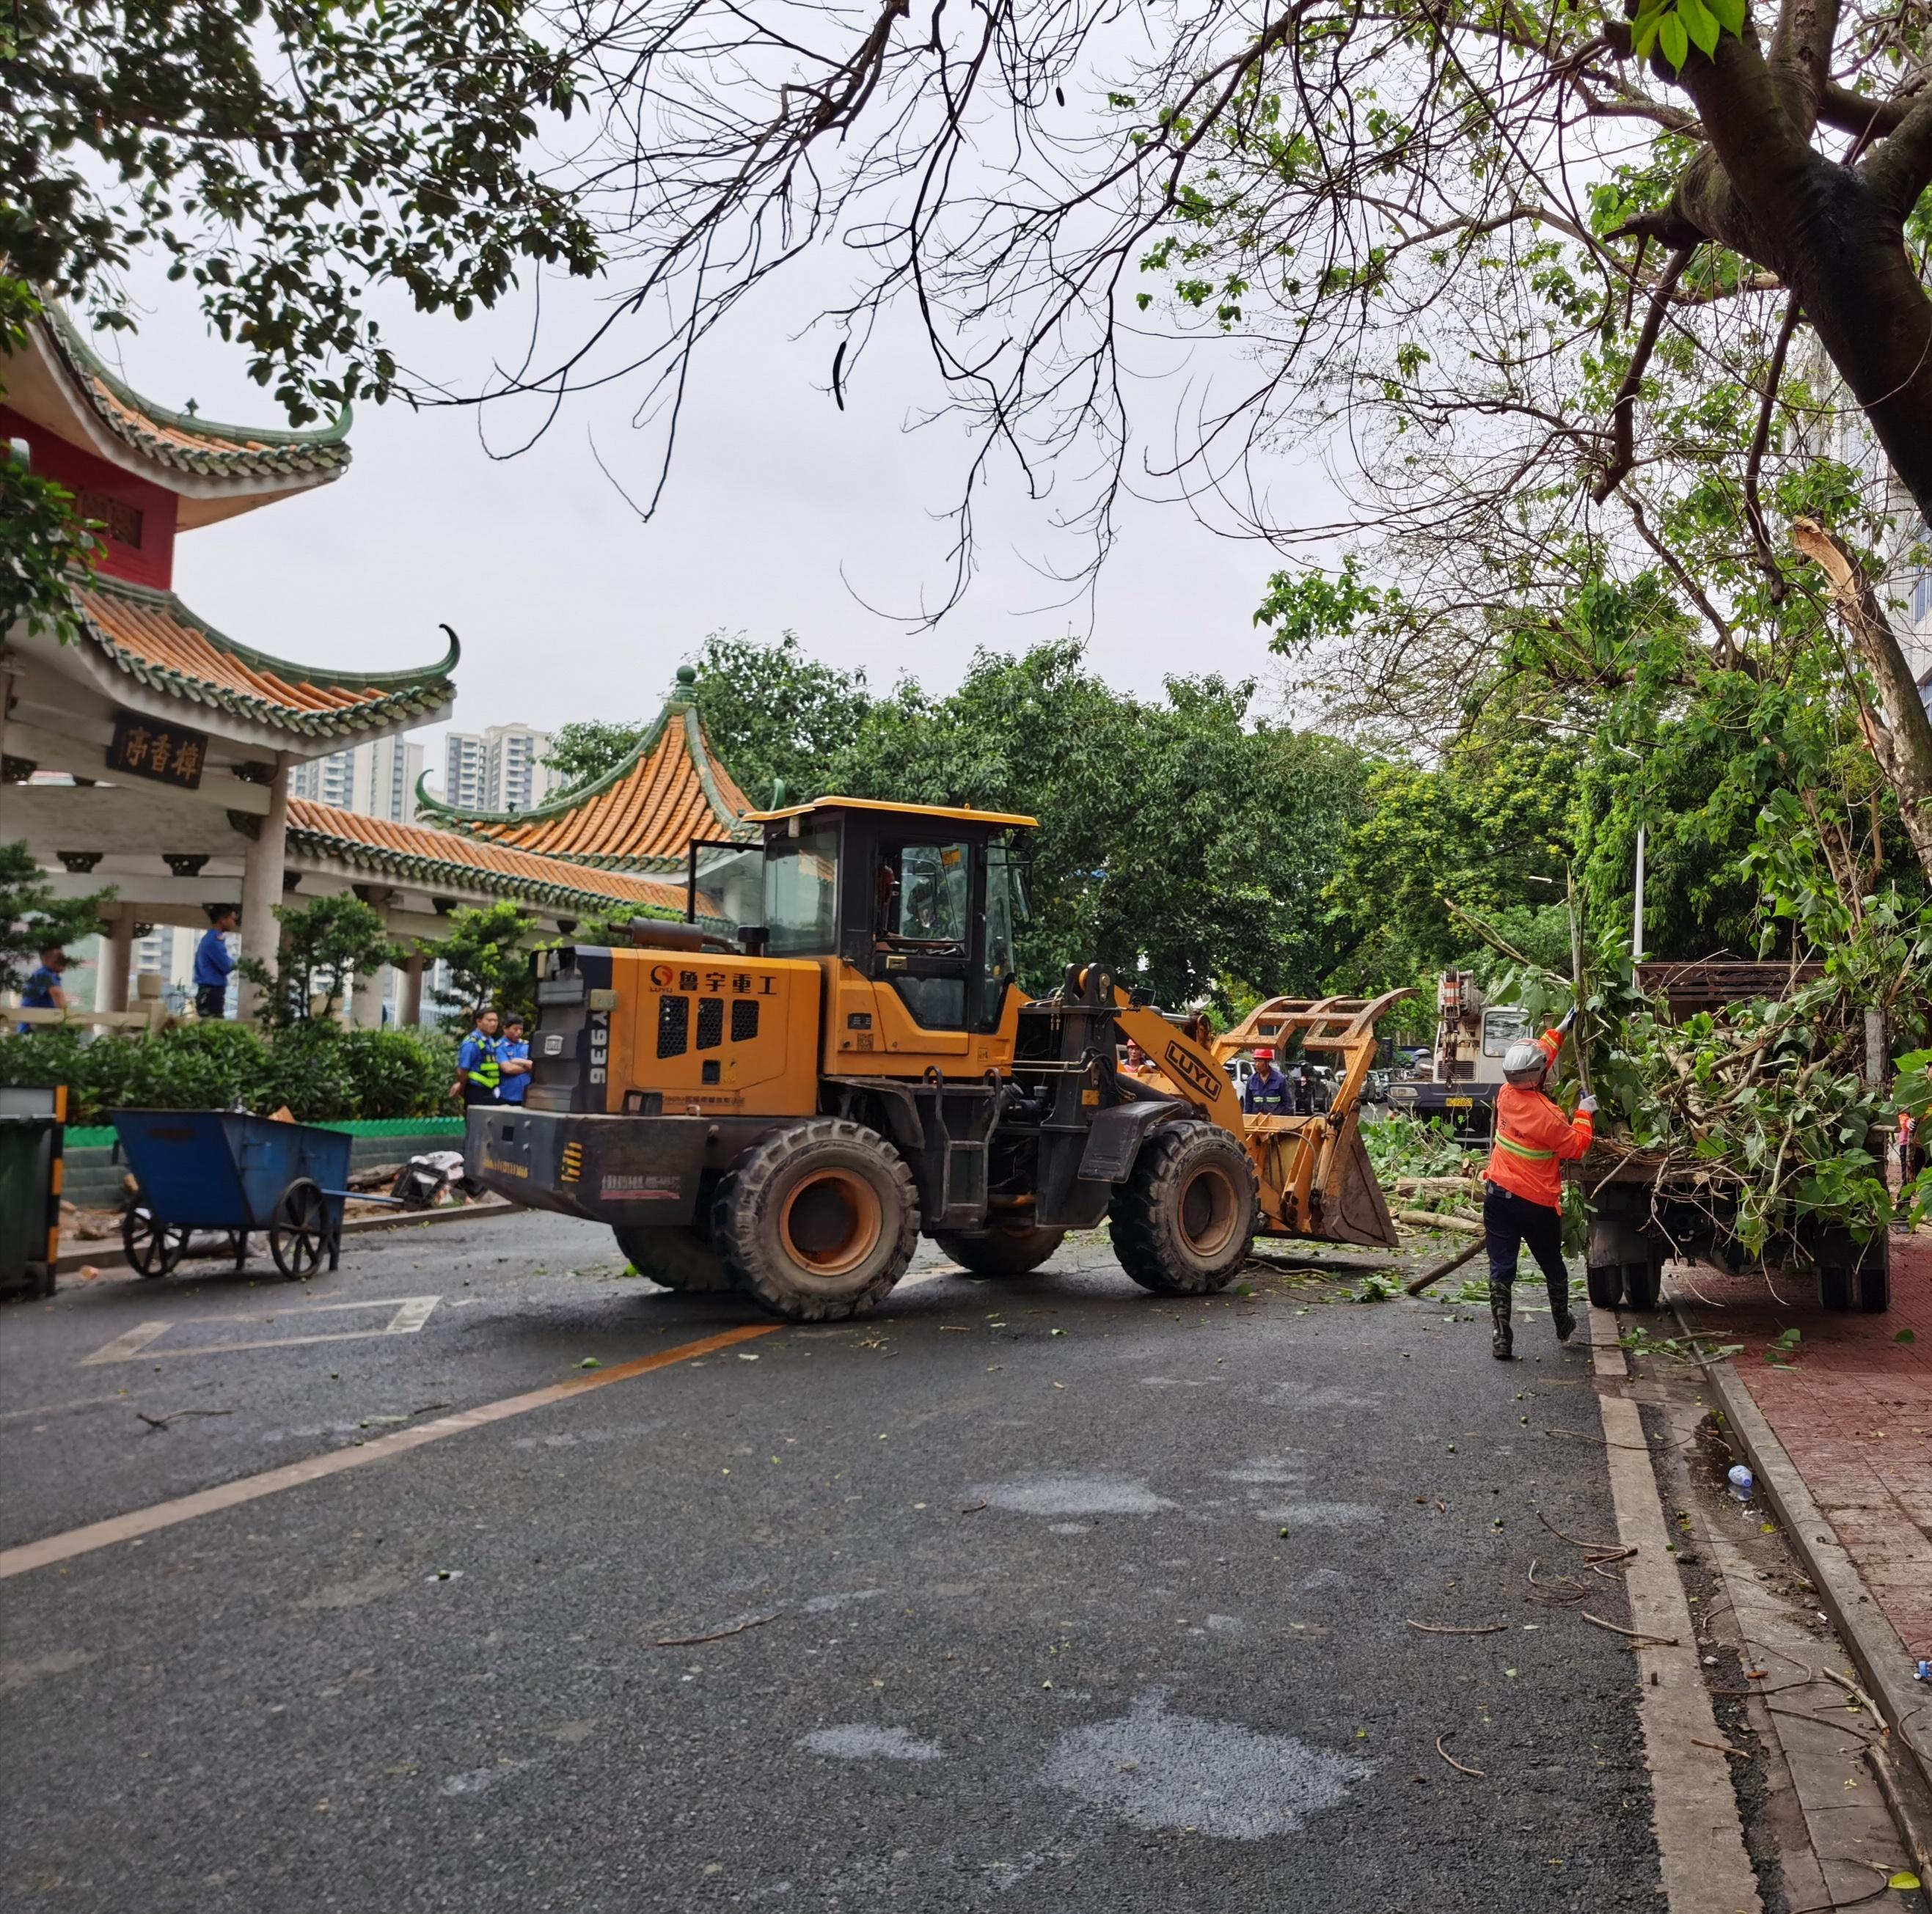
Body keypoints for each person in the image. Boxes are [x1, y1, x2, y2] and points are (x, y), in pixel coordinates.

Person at [1483, 1009, 1596, 1360]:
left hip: (1498, 1198)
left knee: (1501, 1270)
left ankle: (1502, 1336)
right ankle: (1562, 1324)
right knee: (1553, 1267)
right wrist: (1585, 1112)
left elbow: (1539, 1057)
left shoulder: (1505, 1094)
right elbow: (1576, 1146)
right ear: (1538, 1077)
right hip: (1536, 1206)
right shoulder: (1549, 1116)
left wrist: (1560, 1029)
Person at [194, 905, 238, 1019]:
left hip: (208, 990)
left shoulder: (209, 938)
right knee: (214, 1022)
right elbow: (227, 966)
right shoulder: (214, 941)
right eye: (232, 919)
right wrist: (237, 963)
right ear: (222, 920)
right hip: (212, 992)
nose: (234, 923)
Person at [457, 1007, 504, 1106]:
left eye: (496, 1021)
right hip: (476, 1091)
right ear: (479, 1021)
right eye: (490, 1020)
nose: (494, 1024)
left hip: (491, 1091)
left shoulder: (490, 1041)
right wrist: (462, 1089)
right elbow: (463, 1069)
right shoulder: (472, 1042)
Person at [18, 944, 70, 1030]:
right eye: (59, 958)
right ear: (46, 960)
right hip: (35, 1029)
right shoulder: (45, 975)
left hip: (38, 1026)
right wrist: (68, 1021)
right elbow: (58, 996)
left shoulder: (42, 974)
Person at [497, 1012, 533, 1106]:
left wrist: (519, 1061)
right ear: (505, 1029)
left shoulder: (526, 1045)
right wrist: (528, 1066)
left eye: (521, 1029)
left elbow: (537, 1067)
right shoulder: (500, 1047)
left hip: (528, 1096)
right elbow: (508, 1069)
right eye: (515, 1029)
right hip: (508, 1096)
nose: (519, 1032)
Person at [1244, 1046, 1290, 1115]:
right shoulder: (1251, 1080)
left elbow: (1287, 1104)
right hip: (1257, 1121)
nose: (1257, 1064)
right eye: (1255, 1061)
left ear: (1267, 1062)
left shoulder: (1280, 1079)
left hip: (1275, 1121)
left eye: (1260, 1061)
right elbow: (1248, 1104)